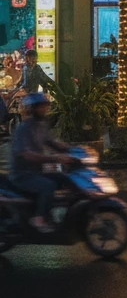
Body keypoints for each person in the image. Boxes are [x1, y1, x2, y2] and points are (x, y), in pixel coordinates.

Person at [9, 92, 74, 232]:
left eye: (45, 107)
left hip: (37, 171)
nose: (45, 110)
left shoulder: (41, 125)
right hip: (23, 174)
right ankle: (39, 218)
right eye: (41, 107)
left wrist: (74, 150)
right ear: (32, 108)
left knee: (66, 178)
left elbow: (52, 143)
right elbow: (27, 154)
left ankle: (57, 214)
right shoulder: (23, 128)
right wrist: (54, 158)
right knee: (48, 186)